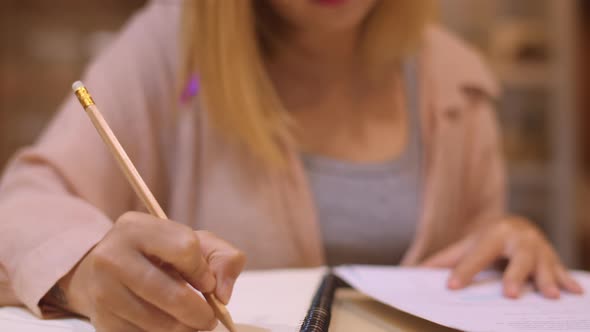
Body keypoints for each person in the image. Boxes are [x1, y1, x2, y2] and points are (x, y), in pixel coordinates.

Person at [0, 0, 583, 331]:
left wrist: (508, 247)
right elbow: (22, 202)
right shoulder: (171, 46)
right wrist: (83, 270)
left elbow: (464, 263)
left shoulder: (456, 76)